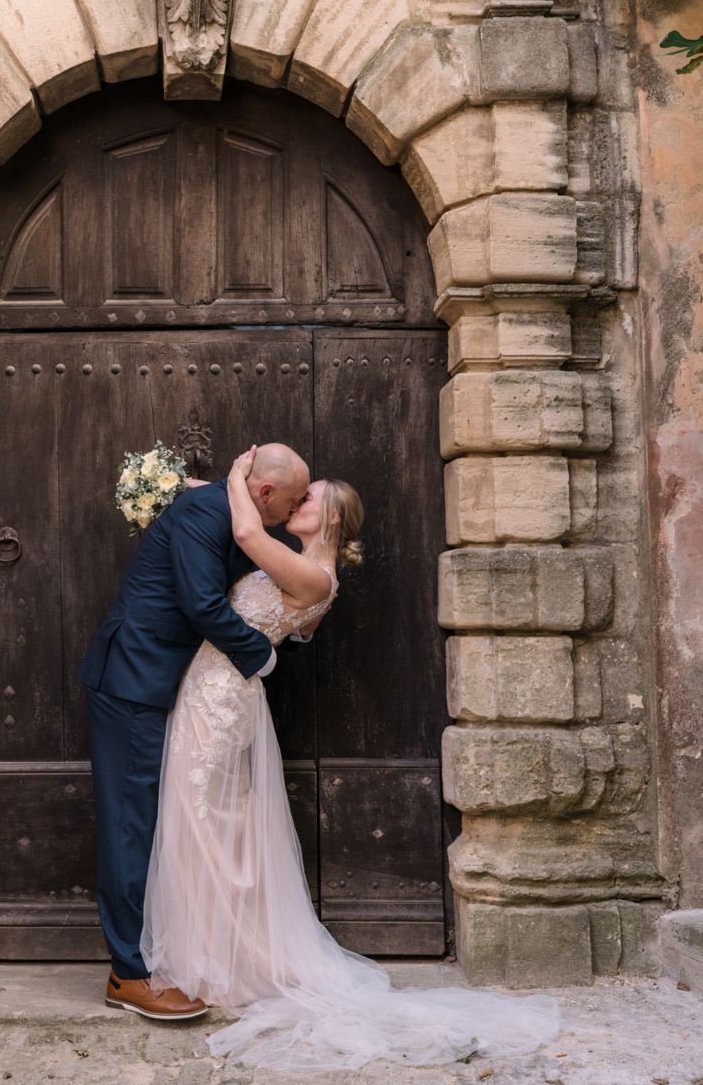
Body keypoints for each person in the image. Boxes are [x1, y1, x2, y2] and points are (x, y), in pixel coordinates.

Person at [140, 448, 563, 1072]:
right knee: (205, 821)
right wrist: (183, 483)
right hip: (208, 688)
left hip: (222, 698)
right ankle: (217, 950)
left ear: (331, 520)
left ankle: (231, 959)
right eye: (295, 494)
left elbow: (245, 529)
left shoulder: (316, 577)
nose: (297, 502)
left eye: (308, 499)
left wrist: (234, 477)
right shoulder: (303, 563)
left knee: (204, 818)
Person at [78, 442, 311, 1020]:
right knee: (131, 825)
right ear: (263, 493)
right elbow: (204, 604)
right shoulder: (210, 513)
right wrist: (262, 656)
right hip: (133, 679)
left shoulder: (231, 509)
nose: (293, 510)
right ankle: (127, 974)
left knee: (152, 819)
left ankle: (158, 954)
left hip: (161, 683)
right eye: (290, 501)